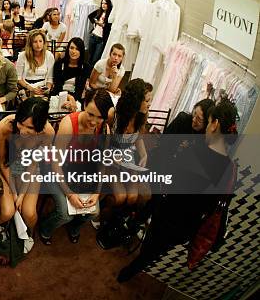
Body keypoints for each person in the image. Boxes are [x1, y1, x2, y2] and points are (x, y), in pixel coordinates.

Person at [117, 99, 238, 283]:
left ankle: (128, 272)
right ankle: (134, 268)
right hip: (187, 227)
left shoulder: (198, 153)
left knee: (150, 246)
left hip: (168, 216)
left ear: (215, 124)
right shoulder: (228, 166)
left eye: (208, 122)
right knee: (155, 252)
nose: (204, 128)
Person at [38, 88, 113, 245]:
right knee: (65, 213)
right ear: (84, 105)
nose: (93, 121)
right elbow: (55, 164)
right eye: (91, 114)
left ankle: (74, 227)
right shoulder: (68, 124)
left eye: (99, 117)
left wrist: (96, 192)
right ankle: (45, 228)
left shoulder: (104, 129)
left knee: (93, 211)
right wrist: (70, 194)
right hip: (57, 170)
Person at [0, 97, 55, 232]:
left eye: (30, 127)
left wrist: (21, 195)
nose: (23, 131)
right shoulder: (3, 128)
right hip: (5, 167)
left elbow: (34, 164)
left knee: (29, 213)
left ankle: (28, 236)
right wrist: (15, 193)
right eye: (21, 123)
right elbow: (2, 162)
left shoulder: (48, 133)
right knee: (7, 211)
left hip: (30, 168)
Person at [101, 79, 153, 225]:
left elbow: (138, 138)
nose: (149, 104)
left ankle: (115, 221)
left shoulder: (142, 116)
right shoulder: (114, 115)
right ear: (136, 101)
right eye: (147, 100)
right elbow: (100, 143)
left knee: (132, 197)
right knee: (121, 196)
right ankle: (102, 216)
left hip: (127, 160)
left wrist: (144, 154)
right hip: (109, 161)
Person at [16, 29, 55, 98]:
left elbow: (50, 78)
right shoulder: (23, 55)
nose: (38, 44)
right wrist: (31, 89)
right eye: (35, 42)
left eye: (40, 41)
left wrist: (46, 89)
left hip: (43, 87)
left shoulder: (49, 55)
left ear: (44, 42)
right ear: (30, 43)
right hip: (26, 86)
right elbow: (18, 78)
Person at [52, 37, 88, 105]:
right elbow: (57, 87)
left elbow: (79, 90)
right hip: (58, 96)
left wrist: (72, 100)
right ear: (68, 49)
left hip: (76, 99)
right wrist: (69, 97)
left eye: (77, 49)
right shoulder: (59, 64)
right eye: (71, 48)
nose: (73, 51)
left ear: (81, 51)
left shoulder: (85, 67)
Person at [87, 0, 113, 67]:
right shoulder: (99, 11)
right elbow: (90, 16)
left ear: (108, 5)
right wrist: (96, 22)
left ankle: (91, 75)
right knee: (89, 57)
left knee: (95, 59)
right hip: (93, 36)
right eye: (102, 3)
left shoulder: (110, 15)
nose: (103, 5)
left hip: (101, 40)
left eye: (105, 3)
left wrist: (103, 25)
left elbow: (109, 27)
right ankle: (86, 74)